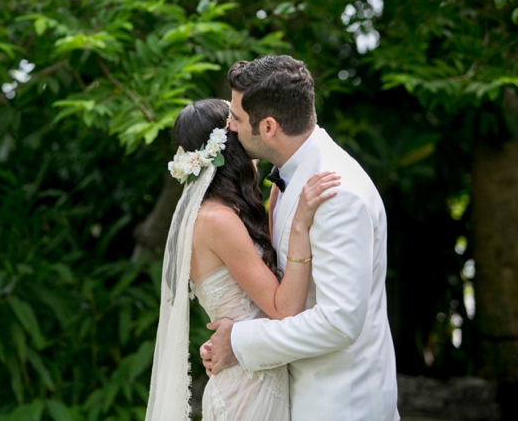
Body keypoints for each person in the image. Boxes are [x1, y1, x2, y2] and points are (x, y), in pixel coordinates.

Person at [202, 55, 399, 421]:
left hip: (339, 405)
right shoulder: (288, 179)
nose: (230, 128)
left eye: (238, 120)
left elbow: (338, 322)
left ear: (269, 126)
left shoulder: (337, 194)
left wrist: (240, 340)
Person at [145, 98, 340, 421]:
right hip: (249, 392)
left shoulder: (220, 213)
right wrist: (300, 227)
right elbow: (283, 309)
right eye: (239, 125)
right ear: (229, 146)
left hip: (254, 375)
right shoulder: (217, 220)